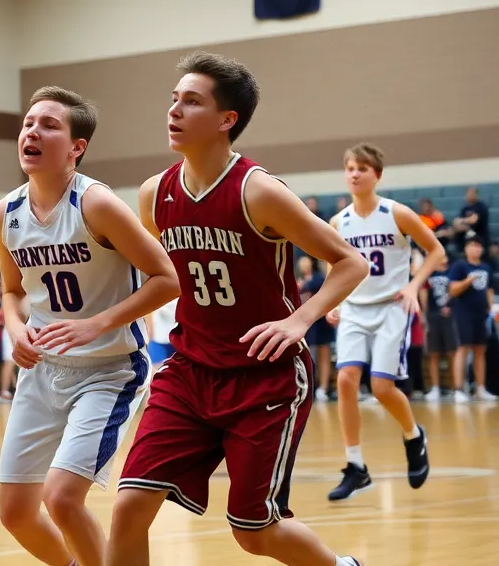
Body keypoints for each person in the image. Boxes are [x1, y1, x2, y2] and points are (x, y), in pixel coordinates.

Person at [107, 52, 367, 566]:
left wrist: (299, 320)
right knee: (128, 507)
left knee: (253, 530)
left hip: (262, 377)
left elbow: (350, 263)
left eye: (191, 101)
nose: (174, 111)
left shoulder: (260, 191)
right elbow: (160, 275)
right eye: (173, 99)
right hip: (188, 369)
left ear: (228, 120)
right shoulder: (153, 194)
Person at [0, 86, 179, 566]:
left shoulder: (97, 204)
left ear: (77, 147)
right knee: (15, 513)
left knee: (63, 498)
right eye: (29, 122)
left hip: (108, 370)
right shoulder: (2, 216)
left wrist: (98, 323)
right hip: (41, 370)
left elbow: (167, 279)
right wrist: (14, 327)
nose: (33, 131)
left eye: (49, 125)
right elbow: (12, 291)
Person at [325, 144, 444, 501]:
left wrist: (413, 285)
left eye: (362, 168)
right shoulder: (338, 222)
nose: (355, 173)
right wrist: (332, 300)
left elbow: (436, 251)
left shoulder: (398, 213)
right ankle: (355, 466)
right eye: (350, 168)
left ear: (377, 174)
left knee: (381, 387)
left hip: (392, 306)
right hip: (355, 309)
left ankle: (413, 434)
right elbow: (335, 266)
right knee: (345, 379)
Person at [447, 237, 494, 402]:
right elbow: (452, 290)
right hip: (463, 313)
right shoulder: (459, 266)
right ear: (466, 249)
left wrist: (492, 309)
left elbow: (489, 290)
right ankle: (459, 389)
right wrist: (468, 281)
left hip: (481, 314)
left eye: (478, 246)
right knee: (463, 349)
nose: (476, 249)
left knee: (480, 350)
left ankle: (480, 388)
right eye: (472, 246)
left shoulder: (486, 267)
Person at [297, 257, 331, 400]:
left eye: (306, 261)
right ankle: (309, 386)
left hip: (321, 320)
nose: (303, 263)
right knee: (307, 354)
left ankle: (323, 388)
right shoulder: (295, 279)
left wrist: (305, 284)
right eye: (301, 261)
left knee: (324, 353)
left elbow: (323, 286)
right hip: (304, 322)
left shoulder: (319, 278)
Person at [421, 262, 455, 401]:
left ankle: (456, 387)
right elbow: (422, 293)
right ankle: (435, 387)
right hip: (432, 315)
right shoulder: (428, 272)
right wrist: (423, 314)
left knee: (452, 353)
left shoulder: (453, 271)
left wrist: (451, 306)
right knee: (433, 353)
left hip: (450, 316)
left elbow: (456, 290)